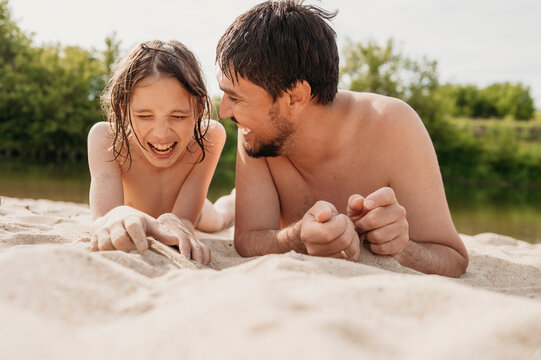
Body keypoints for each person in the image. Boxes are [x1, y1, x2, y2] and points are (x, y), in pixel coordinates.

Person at [216, 1, 468, 277]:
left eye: (235, 97)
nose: (223, 111)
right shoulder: (255, 133)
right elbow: (247, 238)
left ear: (295, 97)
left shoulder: (394, 125)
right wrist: (298, 238)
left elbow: (453, 259)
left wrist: (400, 247)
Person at [88, 40, 235, 265]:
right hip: (135, 211)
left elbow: (184, 219)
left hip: (196, 210)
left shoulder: (209, 137)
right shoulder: (105, 139)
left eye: (178, 116)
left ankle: (233, 200)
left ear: (199, 108)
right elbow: (103, 219)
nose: (161, 134)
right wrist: (116, 215)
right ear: (122, 107)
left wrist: (177, 222)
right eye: (145, 116)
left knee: (220, 220)